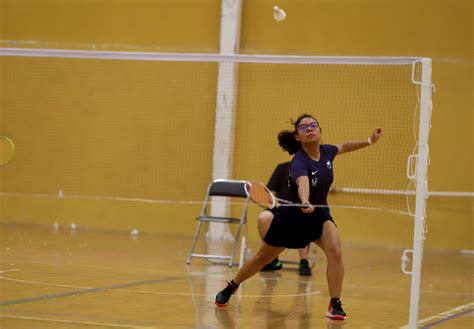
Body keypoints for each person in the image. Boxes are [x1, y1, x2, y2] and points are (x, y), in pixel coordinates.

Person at [214, 113, 383, 320]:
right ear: (297, 136)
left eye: (314, 125)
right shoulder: (299, 162)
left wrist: (369, 141)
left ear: (320, 130)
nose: (310, 129)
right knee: (261, 258)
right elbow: (303, 183)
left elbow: (344, 146)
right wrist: (304, 200)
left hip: (319, 216)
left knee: (335, 250)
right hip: (291, 220)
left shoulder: (327, 152)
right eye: (304, 127)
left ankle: (335, 303)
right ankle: (232, 285)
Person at [258, 161, 314, 276]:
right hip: (279, 208)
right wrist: (273, 201)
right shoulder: (282, 168)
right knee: (263, 217)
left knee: (302, 218)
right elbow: (271, 194)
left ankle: (304, 261)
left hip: (301, 209)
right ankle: (272, 259)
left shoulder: (314, 170)